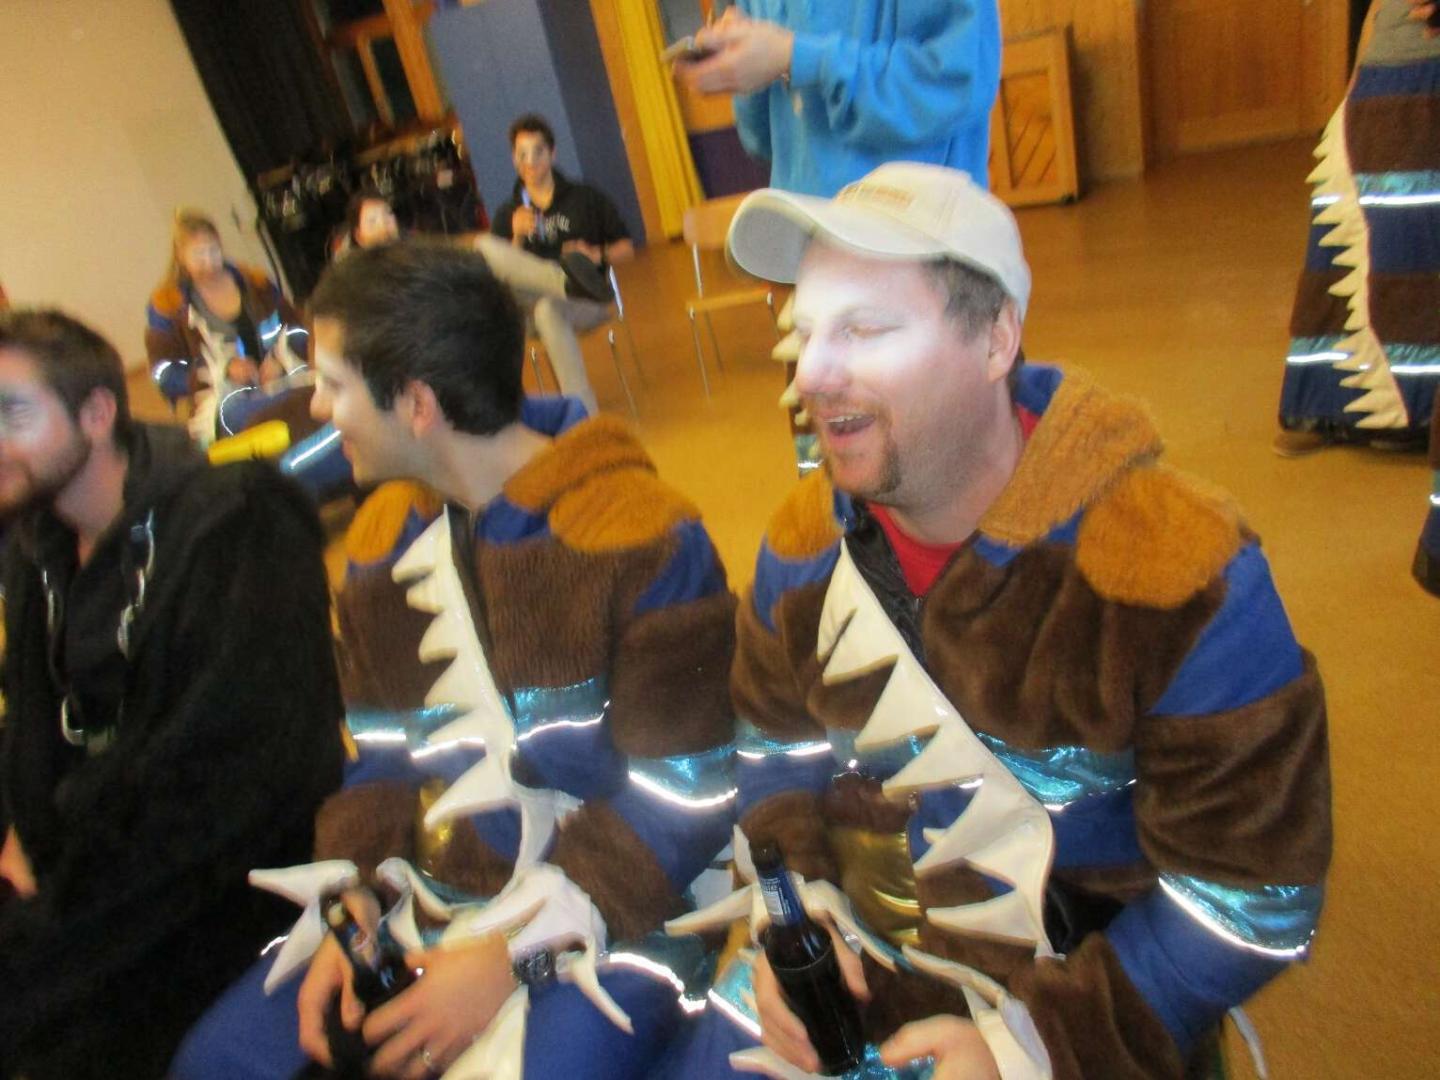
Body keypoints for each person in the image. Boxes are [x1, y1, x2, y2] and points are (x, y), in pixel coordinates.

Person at [658, 163, 1333, 1080]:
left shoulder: (1173, 572)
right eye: (804, 331)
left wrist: (1030, 1049)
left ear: (995, 339)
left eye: (865, 328)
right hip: (859, 969)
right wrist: (794, 909)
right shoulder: (802, 552)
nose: (809, 372)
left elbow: (1253, 895)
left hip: (1081, 1007)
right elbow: (776, 751)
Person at [172, 241, 737, 1079]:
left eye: (333, 384)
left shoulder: (641, 535)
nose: (317, 409)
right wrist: (353, 902)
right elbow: (380, 758)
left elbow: (686, 798)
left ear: (417, 403)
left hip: (622, 914)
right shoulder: (380, 542)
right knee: (219, 1061)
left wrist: (510, 957)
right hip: (438, 895)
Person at [0, 309, 345, 1079]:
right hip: (93, 872)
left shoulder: (236, 524)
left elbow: (238, 790)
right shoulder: (35, 551)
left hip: (229, 887)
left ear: (97, 414)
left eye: (12, 414)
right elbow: (33, 737)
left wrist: (52, 915)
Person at [1273, 0, 1440, 456]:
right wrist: (1351, 96)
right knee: (1342, 230)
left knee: (1410, 247)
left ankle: (1415, 415)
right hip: (1379, 83)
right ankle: (1327, 405)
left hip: (1427, 80)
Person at [676, 1, 1001, 198]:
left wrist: (797, 57)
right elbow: (764, 141)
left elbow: (958, 80)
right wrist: (737, 66)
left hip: (919, 249)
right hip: (806, 245)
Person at [485, 113, 635, 416]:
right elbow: (498, 280)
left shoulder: (584, 198)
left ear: (552, 154)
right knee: (485, 247)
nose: (530, 162)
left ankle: (583, 415)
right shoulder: (508, 213)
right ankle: (558, 279)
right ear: (514, 159)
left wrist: (596, 257)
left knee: (548, 310)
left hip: (585, 300)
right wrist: (517, 237)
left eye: (538, 152)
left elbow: (626, 249)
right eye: (522, 154)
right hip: (527, 308)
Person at [145, 209, 309, 443]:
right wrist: (223, 371)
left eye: (213, 251)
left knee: (315, 390)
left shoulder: (256, 283)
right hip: (224, 401)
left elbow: (298, 328)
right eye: (199, 255)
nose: (209, 261)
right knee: (244, 414)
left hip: (280, 380)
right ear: (181, 257)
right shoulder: (168, 306)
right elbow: (164, 375)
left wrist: (278, 360)